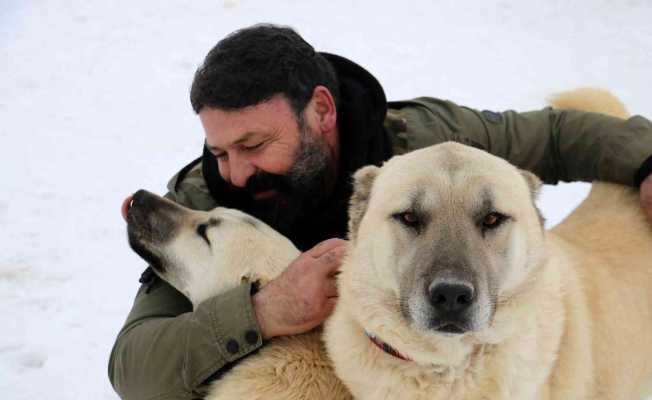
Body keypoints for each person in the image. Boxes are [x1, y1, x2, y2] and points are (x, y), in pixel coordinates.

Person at [108, 24, 652, 399]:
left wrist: (646, 162)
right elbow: (136, 368)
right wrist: (263, 312)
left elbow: (554, 135)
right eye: (220, 150)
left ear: (321, 110)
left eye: (253, 145)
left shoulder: (427, 148)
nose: (236, 172)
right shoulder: (207, 198)